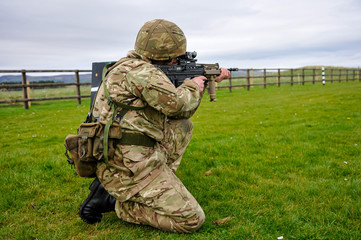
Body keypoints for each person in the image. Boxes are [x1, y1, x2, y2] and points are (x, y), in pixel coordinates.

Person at [78, 19, 230, 233]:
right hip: (128, 164)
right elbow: (178, 106)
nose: (177, 60)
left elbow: (180, 115)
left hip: (120, 152)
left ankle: (151, 185)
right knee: (191, 220)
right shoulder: (144, 74)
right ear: (162, 55)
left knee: (182, 126)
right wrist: (195, 85)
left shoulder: (127, 66)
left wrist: (198, 80)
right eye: (174, 57)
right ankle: (116, 203)